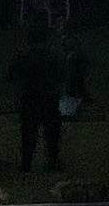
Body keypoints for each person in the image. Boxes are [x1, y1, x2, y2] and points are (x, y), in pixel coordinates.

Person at [12, 20, 70, 173]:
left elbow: (13, 75)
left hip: (30, 97)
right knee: (52, 133)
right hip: (49, 96)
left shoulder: (24, 56)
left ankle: (26, 163)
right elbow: (62, 75)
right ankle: (52, 162)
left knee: (29, 132)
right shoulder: (52, 56)